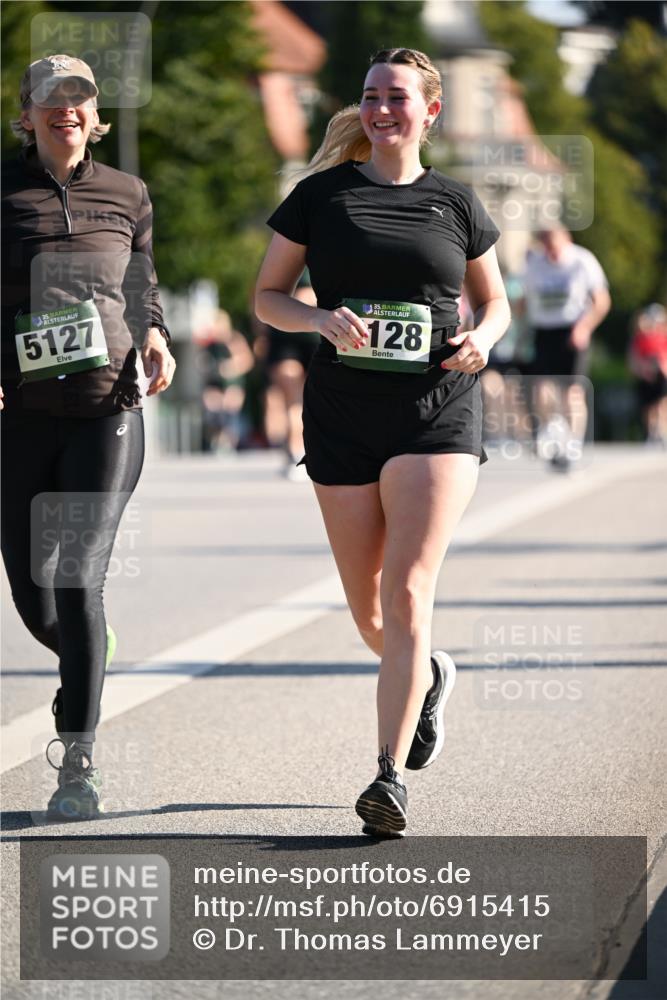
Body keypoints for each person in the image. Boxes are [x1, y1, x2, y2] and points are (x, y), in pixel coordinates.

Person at [255, 48, 510, 837]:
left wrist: (485, 342)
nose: (379, 109)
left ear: (429, 111)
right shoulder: (319, 197)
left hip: (436, 409)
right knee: (369, 612)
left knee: (405, 594)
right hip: (341, 413)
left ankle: (386, 778)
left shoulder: (456, 204)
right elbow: (267, 297)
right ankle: (429, 674)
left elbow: (494, 303)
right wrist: (317, 317)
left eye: (395, 97)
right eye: (369, 96)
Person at [1, 55, 175, 821]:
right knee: (38, 602)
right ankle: (84, 649)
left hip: (110, 406)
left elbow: (141, 282)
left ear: (93, 113)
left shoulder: (126, 192)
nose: (67, 109)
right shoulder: (3, 190)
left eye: (80, 98)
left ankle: (77, 763)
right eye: (52, 98)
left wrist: (158, 334)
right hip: (22, 412)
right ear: (28, 112)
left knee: (78, 579)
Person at [524, 226, 610, 470]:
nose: (551, 253)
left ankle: (573, 442)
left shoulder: (582, 261)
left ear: (567, 241)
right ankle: (551, 428)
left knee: (572, 392)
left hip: (573, 329)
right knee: (540, 389)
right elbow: (524, 299)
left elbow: (602, 302)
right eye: (547, 247)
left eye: (555, 247)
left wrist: (584, 327)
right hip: (544, 330)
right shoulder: (535, 263)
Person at [266, 269, 319, 479]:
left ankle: (304, 452)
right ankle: (296, 453)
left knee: (308, 400)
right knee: (292, 400)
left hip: (315, 336)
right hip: (285, 338)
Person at [627, 303, 667, 446]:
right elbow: (634, 359)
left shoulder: (663, 337)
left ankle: (662, 433)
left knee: (662, 405)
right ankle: (651, 434)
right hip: (646, 376)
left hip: (661, 376)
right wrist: (643, 370)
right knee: (648, 407)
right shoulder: (639, 338)